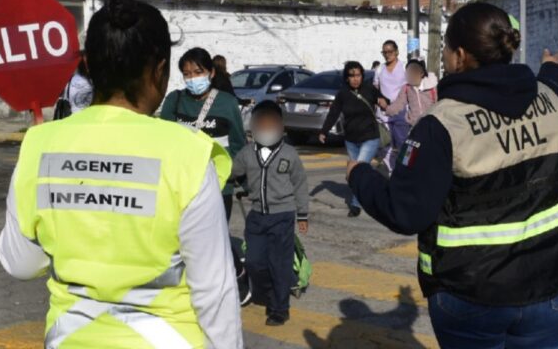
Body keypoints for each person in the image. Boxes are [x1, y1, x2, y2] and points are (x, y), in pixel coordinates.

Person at [0, 0, 243, 349]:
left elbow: (20, 263)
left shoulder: (40, 145)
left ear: (90, 67)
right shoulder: (186, 153)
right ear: (160, 70)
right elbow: (215, 292)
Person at [347, 2, 558, 349]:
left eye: (444, 48)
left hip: (473, 295)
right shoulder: (549, 98)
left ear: (460, 55)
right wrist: (550, 67)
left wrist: (360, 176)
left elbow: (404, 211)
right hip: (553, 287)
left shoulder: (442, 126)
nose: (441, 57)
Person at [231, 100, 309, 326]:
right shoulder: (247, 153)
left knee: (279, 262)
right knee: (255, 261)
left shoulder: (289, 154)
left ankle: (279, 308)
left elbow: (300, 184)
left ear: (280, 127)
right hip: (256, 217)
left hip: (282, 217)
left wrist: (302, 214)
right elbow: (233, 172)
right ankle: (268, 290)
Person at [160, 47, 245, 222]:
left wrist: (230, 176)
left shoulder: (227, 103)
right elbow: (164, 144)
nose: (193, 79)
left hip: (219, 189)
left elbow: (238, 144)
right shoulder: (174, 100)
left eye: (198, 72)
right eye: (187, 74)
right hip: (182, 189)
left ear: (211, 73)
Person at [318, 61, 389, 217]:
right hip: (351, 140)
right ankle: (377, 182)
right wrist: (323, 131)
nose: (355, 79)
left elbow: (384, 101)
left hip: (370, 137)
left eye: (358, 75)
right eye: (352, 76)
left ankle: (356, 205)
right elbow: (334, 113)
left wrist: (384, 102)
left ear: (362, 76)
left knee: (358, 170)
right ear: (347, 78)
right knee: (361, 171)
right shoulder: (343, 94)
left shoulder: (369, 89)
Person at [374, 40, 410, 172]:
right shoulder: (379, 70)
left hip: (401, 113)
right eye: (384, 52)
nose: (387, 54)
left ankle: (406, 171)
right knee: (385, 145)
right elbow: (375, 89)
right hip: (383, 115)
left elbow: (411, 88)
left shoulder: (405, 67)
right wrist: (378, 100)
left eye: (390, 51)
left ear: (396, 52)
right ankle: (390, 171)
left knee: (403, 144)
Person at [385, 59, 437, 128]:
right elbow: (398, 104)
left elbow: (440, 105)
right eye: (407, 74)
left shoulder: (432, 87)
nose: (409, 76)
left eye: (412, 73)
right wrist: (387, 109)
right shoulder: (407, 88)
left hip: (432, 125)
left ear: (421, 73)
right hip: (414, 126)